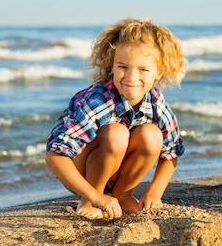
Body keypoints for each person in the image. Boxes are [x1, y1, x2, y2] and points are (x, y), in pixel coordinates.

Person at [46, 18, 186, 220]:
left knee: (153, 135)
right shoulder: (97, 101)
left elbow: (171, 152)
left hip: (118, 170)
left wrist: (154, 192)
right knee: (116, 133)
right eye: (123, 67)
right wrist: (93, 196)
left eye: (143, 69)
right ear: (112, 65)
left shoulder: (156, 102)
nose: (131, 77)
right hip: (80, 173)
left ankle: (122, 195)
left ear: (159, 72)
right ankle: (88, 200)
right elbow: (55, 156)